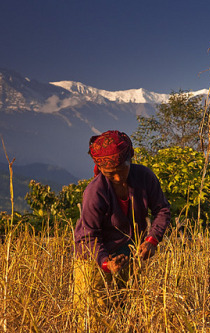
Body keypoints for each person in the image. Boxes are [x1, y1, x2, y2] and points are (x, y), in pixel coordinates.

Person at [73, 130, 171, 329]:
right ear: (100, 168)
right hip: (93, 259)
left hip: (129, 255)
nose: (118, 177)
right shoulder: (95, 192)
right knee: (94, 318)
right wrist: (106, 263)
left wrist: (152, 240)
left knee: (127, 312)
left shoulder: (145, 177)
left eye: (122, 169)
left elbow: (162, 210)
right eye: (110, 173)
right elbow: (88, 236)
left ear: (131, 157)